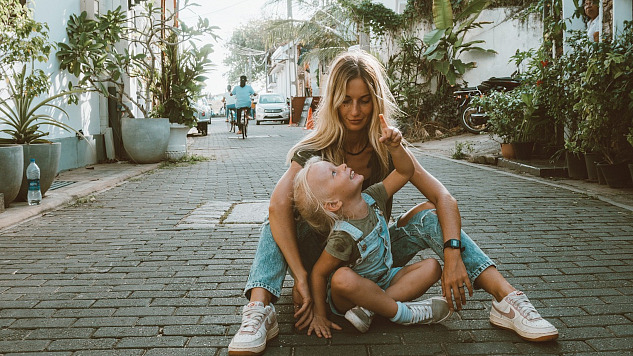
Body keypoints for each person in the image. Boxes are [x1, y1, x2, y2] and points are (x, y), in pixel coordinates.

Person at [228, 50, 558, 356]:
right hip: (323, 260)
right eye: (345, 101)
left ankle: (507, 300)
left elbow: (442, 197)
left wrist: (452, 253)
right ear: (333, 103)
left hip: (373, 254)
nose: (355, 111)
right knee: (277, 217)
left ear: (376, 101)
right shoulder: (315, 152)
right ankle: (260, 309)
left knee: (429, 216)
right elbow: (275, 207)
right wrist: (300, 276)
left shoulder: (388, 146)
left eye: (364, 101)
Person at [293, 114, 452, 338]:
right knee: (341, 278)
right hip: (348, 296)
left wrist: (395, 148)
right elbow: (319, 274)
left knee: (432, 267)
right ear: (334, 204)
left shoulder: (373, 196)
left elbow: (405, 172)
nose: (343, 165)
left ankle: (370, 308)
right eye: (334, 172)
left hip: (384, 280)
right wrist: (320, 314)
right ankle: (404, 313)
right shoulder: (343, 235)